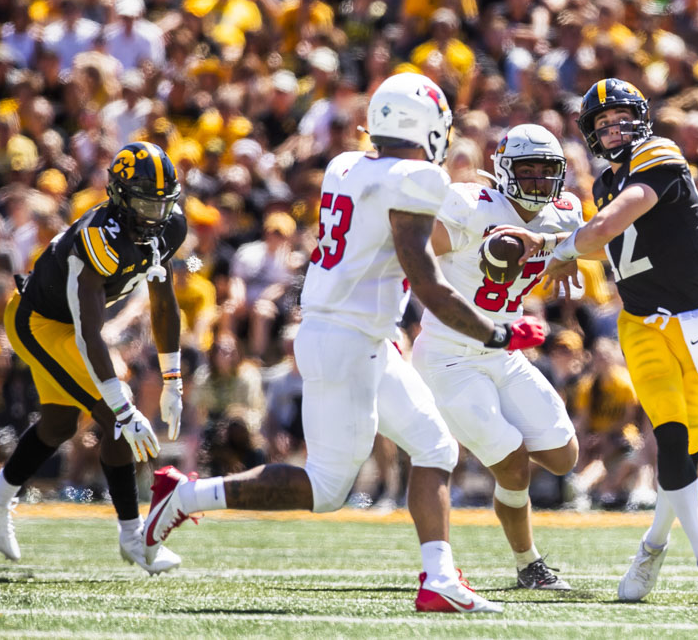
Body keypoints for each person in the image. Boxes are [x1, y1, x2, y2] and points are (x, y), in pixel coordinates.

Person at [144, 73, 547, 613]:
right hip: (349, 338)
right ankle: (186, 494)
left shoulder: (345, 164)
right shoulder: (416, 177)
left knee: (436, 448)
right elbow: (423, 276)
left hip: (357, 332)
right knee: (329, 487)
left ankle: (439, 580)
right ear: (424, 125)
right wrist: (493, 331)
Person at [496, 78, 698, 601]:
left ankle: (652, 547)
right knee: (671, 435)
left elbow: (605, 228)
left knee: (687, 446)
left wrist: (556, 245)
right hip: (641, 324)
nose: (613, 129)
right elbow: (602, 242)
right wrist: (567, 248)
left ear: (640, 119)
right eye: (602, 123)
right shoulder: (601, 186)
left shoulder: (658, 153)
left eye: (621, 119)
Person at [0, 142, 188, 574]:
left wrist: (173, 378)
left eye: (162, 205)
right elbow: (89, 332)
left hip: (70, 327)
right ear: (122, 197)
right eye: (145, 202)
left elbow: (163, 302)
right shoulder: (97, 238)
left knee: (60, 423)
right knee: (114, 420)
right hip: (39, 322)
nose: (155, 215)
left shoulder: (168, 226)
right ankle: (135, 537)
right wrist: (122, 407)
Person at [410, 123, 579, 590]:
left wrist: (559, 251)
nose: (539, 182)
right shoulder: (470, 205)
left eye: (547, 172)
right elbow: (414, 252)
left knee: (564, 456)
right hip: (449, 354)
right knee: (514, 464)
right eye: (526, 171)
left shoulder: (563, 213)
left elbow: (582, 240)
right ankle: (529, 564)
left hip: (503, 352)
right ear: (504, 171)